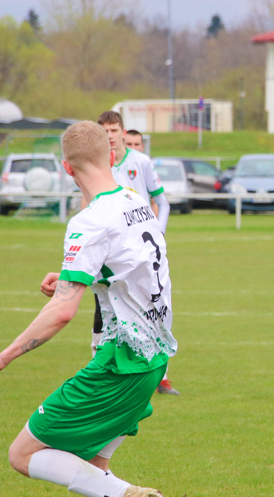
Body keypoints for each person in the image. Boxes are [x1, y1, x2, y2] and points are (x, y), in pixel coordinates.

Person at [0, 120, 179, 497]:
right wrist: (71, 276)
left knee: (23, 455)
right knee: (93, 470)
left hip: (120, 361)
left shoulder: (89, 220)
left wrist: (3, 356)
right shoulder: (136, 203)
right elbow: (124, 267)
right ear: (113, 156)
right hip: (153, 359)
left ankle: (130, 495)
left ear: (66, 168)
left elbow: (64, 311)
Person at [94, 112, 179, 396]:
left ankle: (162, 375)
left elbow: (162, 202)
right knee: (104, 304)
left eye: (113, 129)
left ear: (121, 131)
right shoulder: (96, 164)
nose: (109, 135)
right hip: (111, 249)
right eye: (104, 130)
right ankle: (102, 367)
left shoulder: (140, 162)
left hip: (142, 250)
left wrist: (158, 233)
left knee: (152, 304)